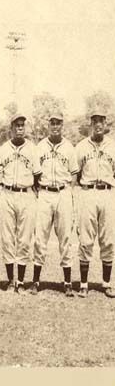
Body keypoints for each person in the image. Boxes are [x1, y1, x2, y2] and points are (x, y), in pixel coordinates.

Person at [33, 112, 78, 296]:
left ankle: (67, 282)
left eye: (58, 123)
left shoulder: (69, 147)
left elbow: (74, 173)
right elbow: (36, 174)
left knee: (65, 238)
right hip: (45, 193)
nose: (55, 126)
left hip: (63, 192)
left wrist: (68, 190)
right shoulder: (40, 146)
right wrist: (41, 192)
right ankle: (36, 281)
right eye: (52, 122)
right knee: (40, 238)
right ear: (48, 124)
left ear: (62, 125)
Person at [0, 114, 41, 294]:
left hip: (26, 193)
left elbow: (37, 174)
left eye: (22, 125)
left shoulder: (32, 148)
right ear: (11, 128)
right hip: (7, 194)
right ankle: (10, 280)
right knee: (7, 238)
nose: (20, 128)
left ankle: (20, 281)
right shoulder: (3, 149)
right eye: (17, 125)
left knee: (24, 239)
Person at [75, 109, 115, 298]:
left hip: (107, 193)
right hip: (88, 193)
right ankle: (83, 284)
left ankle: (106, 283)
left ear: (105, 124)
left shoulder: (113, 146)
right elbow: (76, 174)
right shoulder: (82, 146)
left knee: (108, 239)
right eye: (95, 121)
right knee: (86, 239)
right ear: (90, 124)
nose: (98, 124)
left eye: (101, 121)